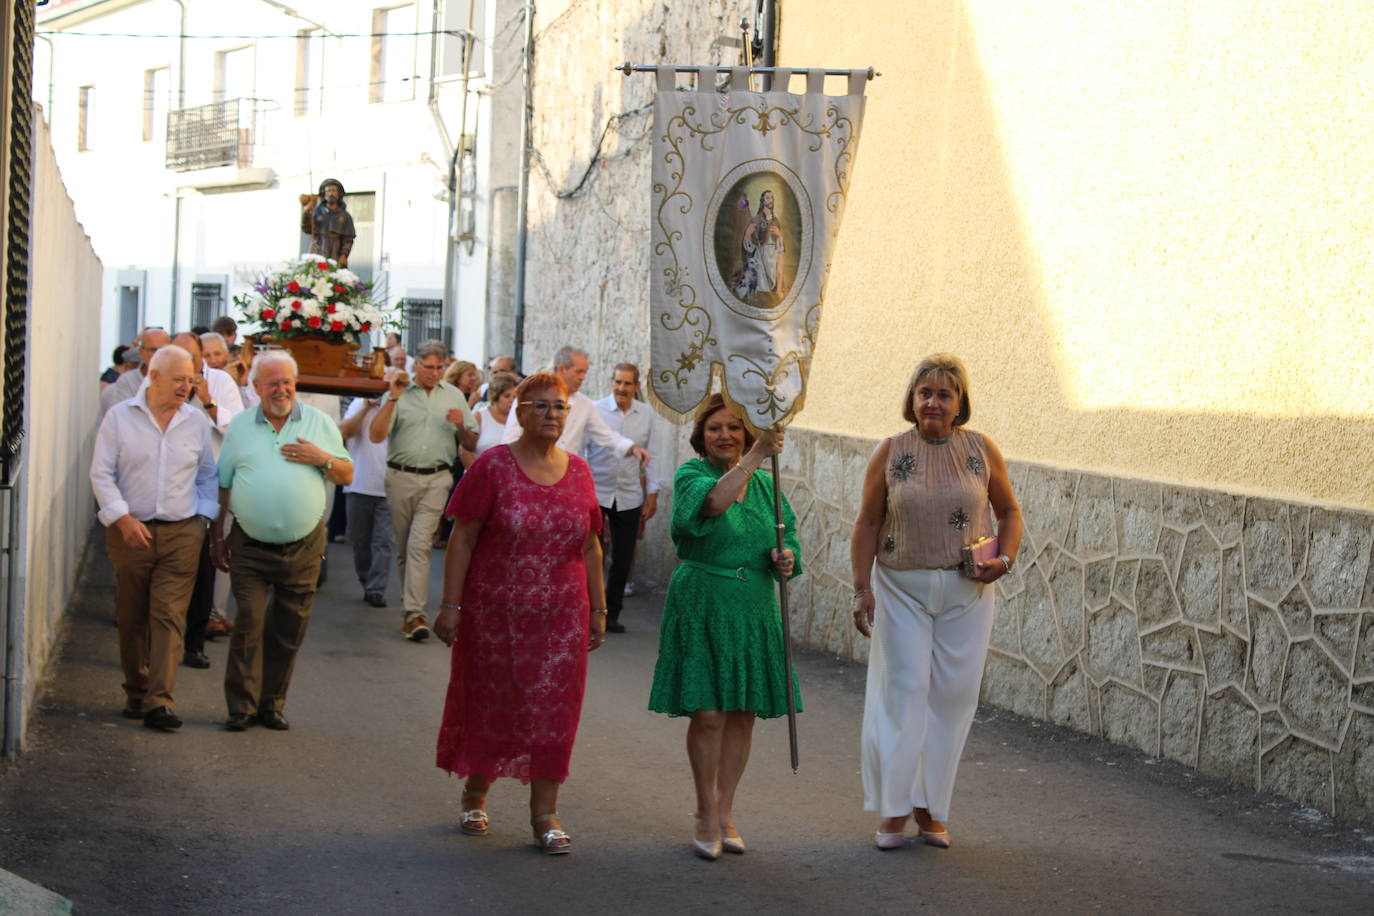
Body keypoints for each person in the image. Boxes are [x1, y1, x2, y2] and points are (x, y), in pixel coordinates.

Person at [850, 353, 1022, 851]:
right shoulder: (890, 451)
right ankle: (894, 810)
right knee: (905, 692)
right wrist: (863, 589)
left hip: (967, 593)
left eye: (945, 393)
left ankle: (931, 809)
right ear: (912, 399)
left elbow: (1009, 512)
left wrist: (1005, 559)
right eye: (925, 392)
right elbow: (866, 523)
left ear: (960, 402)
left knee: (952, 699)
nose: (933, 401)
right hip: (902, 588)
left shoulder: (982, 450)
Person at [432, 372, 606, 855]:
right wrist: (451, 606)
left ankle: (544, 816)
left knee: (555, 713)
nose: (552, 414)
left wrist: (599, 609)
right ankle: (475, 794)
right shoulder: (492, 467)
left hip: (561, 619)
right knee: (494, 704)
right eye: (541, 405)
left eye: (560, 406)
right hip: (495, 619)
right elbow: (462, 538)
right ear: (521, 411)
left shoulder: (580, 471)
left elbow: (591, 545)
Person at [647, 393, 801, 860]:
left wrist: (785, 557)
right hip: (702, 602)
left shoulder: (766, 486)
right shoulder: (692, 474)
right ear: (702, 435)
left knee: (741, 712)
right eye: (716, 427)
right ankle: (702, 812)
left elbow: (787, 533)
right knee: (709, 713)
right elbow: (711, 506)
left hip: (753, 607)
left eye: (736, 427)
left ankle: (725, 810)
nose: (727, 435)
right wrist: (756, 454)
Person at [210, 351, 353, 731]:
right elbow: (223, 484)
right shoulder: (240, 427)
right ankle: (241, 706)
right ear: (256, 387)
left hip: (304, 546)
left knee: (288, 629)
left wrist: (320, 458)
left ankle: (271, 704)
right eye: (272, 382)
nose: (281, 389)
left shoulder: (320, 423)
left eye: (287, 381)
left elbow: (346, 474)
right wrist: (217, 535)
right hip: (249, 545)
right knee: (249, 624)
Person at [90, 344, 218, 731]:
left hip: (182, 532)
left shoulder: (195, 421)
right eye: (179, 379)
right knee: (132, 617)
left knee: (168, 616)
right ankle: (136, 689)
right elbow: (101, 474)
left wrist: (203, 520)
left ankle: (159, 702)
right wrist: (122, 518)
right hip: (130, 532)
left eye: (191, 380)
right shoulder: (119, 417)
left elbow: (208, 475)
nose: (186, 387)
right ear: (155, 377)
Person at [369, 340, 478, 642]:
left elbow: (470, 444)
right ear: (416, 365)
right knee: (405, 548)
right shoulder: (399, 394)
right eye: (428, 367)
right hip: (401, 477)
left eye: (440, 368)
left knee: (419, 545)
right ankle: (410, 612)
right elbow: (376, 435)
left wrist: (460, 426)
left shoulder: (454, 395)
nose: (434, 373)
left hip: (437, 478)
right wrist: (392, 398)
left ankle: (415, 614)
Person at [172, 332, 244, 668]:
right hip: (172, 485)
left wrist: (208, 401)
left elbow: (237, 430)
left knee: (204, 566)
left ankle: (195, 641)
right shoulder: (165, 381)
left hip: (209, 485)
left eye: (193, 358)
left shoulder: (221, 383)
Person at [584, 363, 662, 634]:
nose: (622, 388)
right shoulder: (595, 410)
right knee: (591, 552)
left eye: (628, 384)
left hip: (629, 494)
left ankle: (612, 613)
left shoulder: (647, 414)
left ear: (636, 386)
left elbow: (654, 454)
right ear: (611, 382)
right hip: (595, 491)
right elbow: (582, 451)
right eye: (618, 382)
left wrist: (653, 492)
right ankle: (587, 610)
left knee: (623, 555)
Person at [500, 347, 650, 471]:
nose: (583, 377)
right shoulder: (530, 395)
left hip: (564, 475)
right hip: (530, 471)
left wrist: (632, 448)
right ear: (561, 369)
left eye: (585, 372)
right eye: (579, 372)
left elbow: (606, 435)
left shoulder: (585, 405)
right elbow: (511, 438)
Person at [339, 393, 393, 607]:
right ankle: (366, 580)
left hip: (388, 486)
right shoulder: (357, 404)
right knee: (360, 541)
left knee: (384, 541)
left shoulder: (396, 404)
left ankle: (376, 590)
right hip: (358, 483)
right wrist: (365, 408)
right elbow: (345, 431)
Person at [100, 327, 169, 423]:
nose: (158, 354)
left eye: (162, 350)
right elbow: (122, 419)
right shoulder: (127, 381)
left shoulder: (178, 380)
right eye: (153, 350)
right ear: (141, 352)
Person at [300, 178, 355, 267]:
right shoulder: (316, 212)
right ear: (324, 194)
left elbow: (348, 239)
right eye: (328, 191)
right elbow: (306, 229)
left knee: (335, 273)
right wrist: (307, 212)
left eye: (334, 190)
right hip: (319, 247)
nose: (331, 193)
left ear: (338, 193)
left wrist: (344, 255)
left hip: (335, 250)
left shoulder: (345, 216)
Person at [472, 371, 518, 458]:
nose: (512, 400)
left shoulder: (520, 418)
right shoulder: (479, 416)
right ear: (495, 396)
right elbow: (465, 451)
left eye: (515, 397)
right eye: (507, 396)